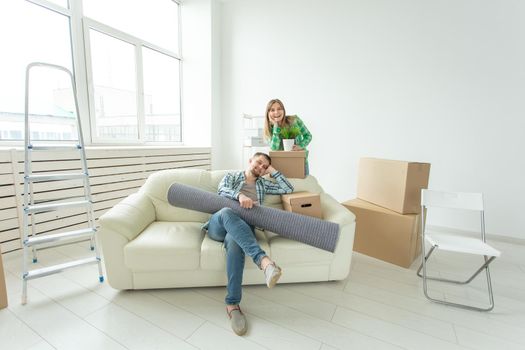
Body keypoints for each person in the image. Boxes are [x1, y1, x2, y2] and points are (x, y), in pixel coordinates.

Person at [202, 152, 294, 336]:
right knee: (228, 211)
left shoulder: (264, 183)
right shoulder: (232, 176)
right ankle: (264, 262)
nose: (260, 168)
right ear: (250, 160)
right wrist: (239, 196)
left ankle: (232, 304)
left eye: (264, 167)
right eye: (259, 163)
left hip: (242, 230)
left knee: (236, 243)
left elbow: (287, 188)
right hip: (220, 223)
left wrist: (272, 170)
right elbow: (222, 191)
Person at [264, 98, 313, 175]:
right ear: (268, 113)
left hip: (299, 161)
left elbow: (308, 136)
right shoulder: (268, 129)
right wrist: (276, 126)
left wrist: (301, 145)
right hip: (280, 165)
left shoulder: (294, 120)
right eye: (272, 110)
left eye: (279, 109)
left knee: (302, 185)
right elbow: (274, 148)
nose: (276, 112)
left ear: (283, 110)